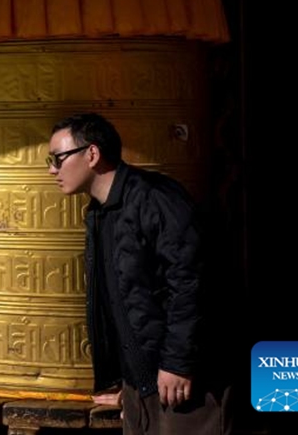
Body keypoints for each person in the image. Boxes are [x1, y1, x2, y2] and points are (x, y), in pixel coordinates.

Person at [48, 113, 231, 435]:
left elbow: (191, 284)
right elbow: (122, 301)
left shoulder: (156, 198)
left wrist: (178, 363)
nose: (52, 169)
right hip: (141, 388)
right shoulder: (100, 213)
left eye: (58, 159)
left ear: (91, 154)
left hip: (183, 387)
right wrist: (126, 381)